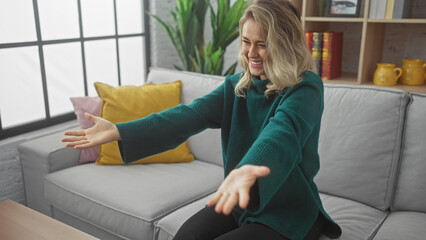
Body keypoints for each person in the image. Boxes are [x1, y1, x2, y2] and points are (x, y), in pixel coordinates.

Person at [62, 0, 342, 239]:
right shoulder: (237, 87)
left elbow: (282, 133)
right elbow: (187, 116)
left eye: (262, 45)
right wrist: (120, 131)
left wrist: (247, 170)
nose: (251, 53)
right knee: (186, 236)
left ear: (284, 45)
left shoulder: (305, 87)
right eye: (246, 42)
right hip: (240, 201)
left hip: (287, 208)